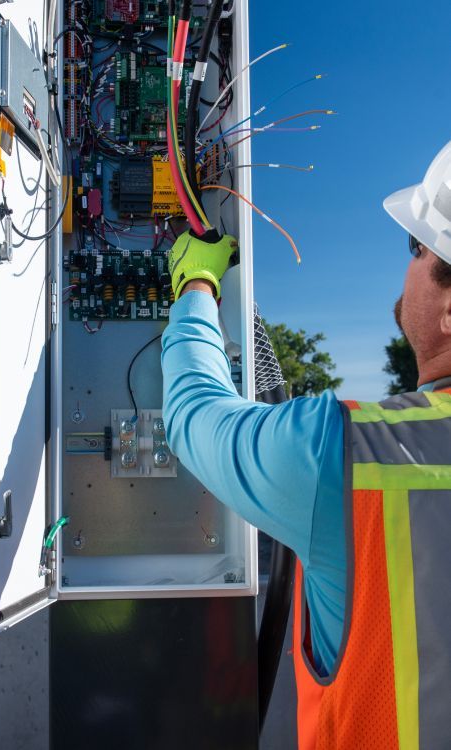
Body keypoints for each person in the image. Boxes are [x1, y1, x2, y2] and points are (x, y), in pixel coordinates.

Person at [161, 141, 451, 749]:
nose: (407, 266)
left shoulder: (343, 452)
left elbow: (194, 414)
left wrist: (195, 286)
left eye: (416, 248)